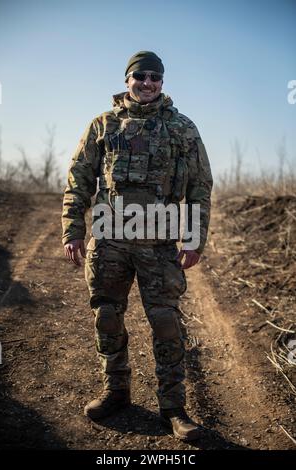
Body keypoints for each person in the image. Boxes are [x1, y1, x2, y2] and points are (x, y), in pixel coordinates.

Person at [62, 51, 213, 441]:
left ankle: (174, 407)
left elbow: (200, 187)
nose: (147, 83)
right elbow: (78, 179)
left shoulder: (182, 127)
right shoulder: (102, 124)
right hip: (109, 237)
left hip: (158, 242)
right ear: (128, 79)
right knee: (107, 316)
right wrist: (72, 229)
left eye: (155, 78)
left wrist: (194, 238)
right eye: (140, 76)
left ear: (162, 83)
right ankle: (116, 391)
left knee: (165, 323)